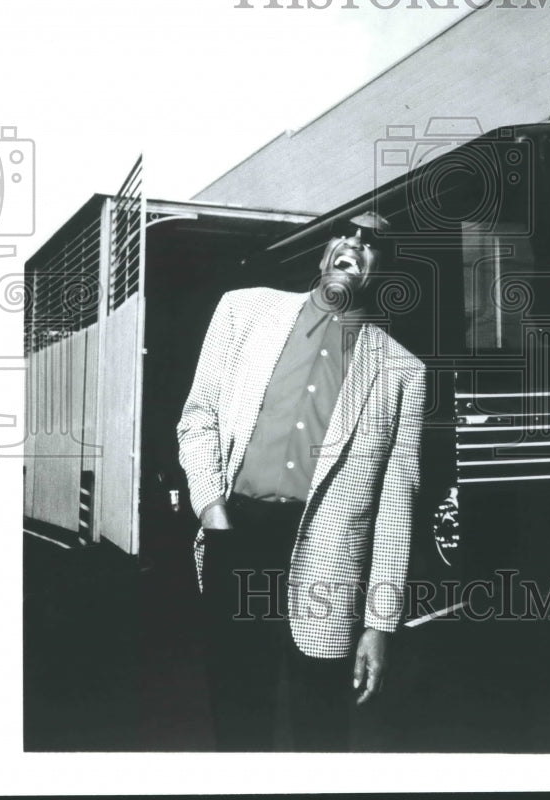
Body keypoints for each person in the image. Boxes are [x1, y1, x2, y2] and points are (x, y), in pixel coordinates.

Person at [177, 211, 426, 751]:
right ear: (323, 254)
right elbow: (198, 418)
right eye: (346, 234)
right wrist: (213, 513)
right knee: (238, 721)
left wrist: (380, 624)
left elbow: (396, 508)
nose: (355, 245)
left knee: (322, 735)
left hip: (331, 569)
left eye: (371, 243)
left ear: (379, 270)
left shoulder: (404, 370)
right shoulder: (242, 312)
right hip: (236, 538)